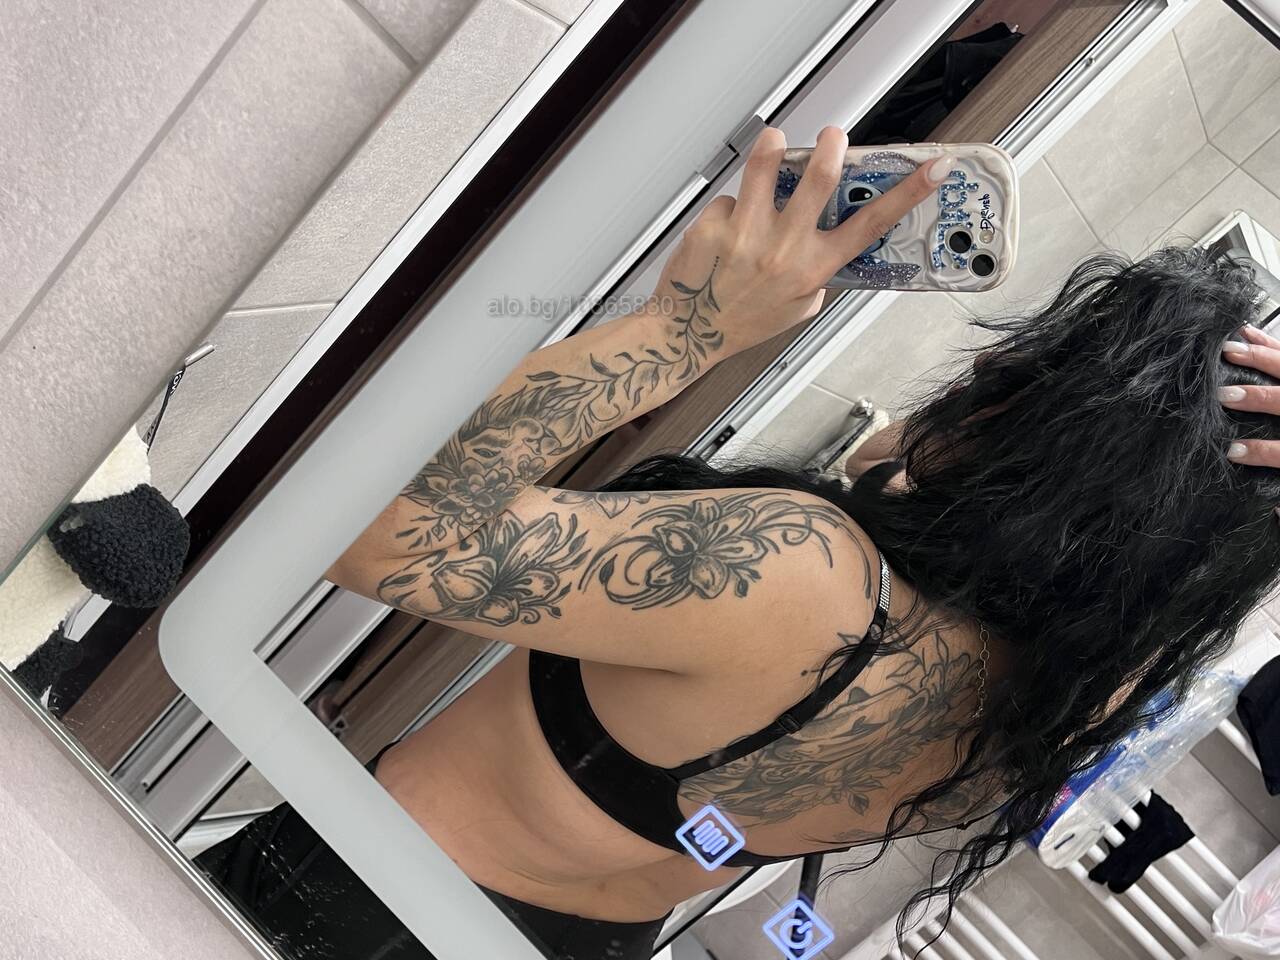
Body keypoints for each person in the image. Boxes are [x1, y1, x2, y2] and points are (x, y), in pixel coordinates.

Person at [197, 125, 1280, 960]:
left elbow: (370, 531)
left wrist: (686, 329)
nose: (986, 371)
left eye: (1024, 376)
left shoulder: (803, 574)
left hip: (347, 910)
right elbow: (897, 477)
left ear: (1043, 436)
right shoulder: (1053, 706)